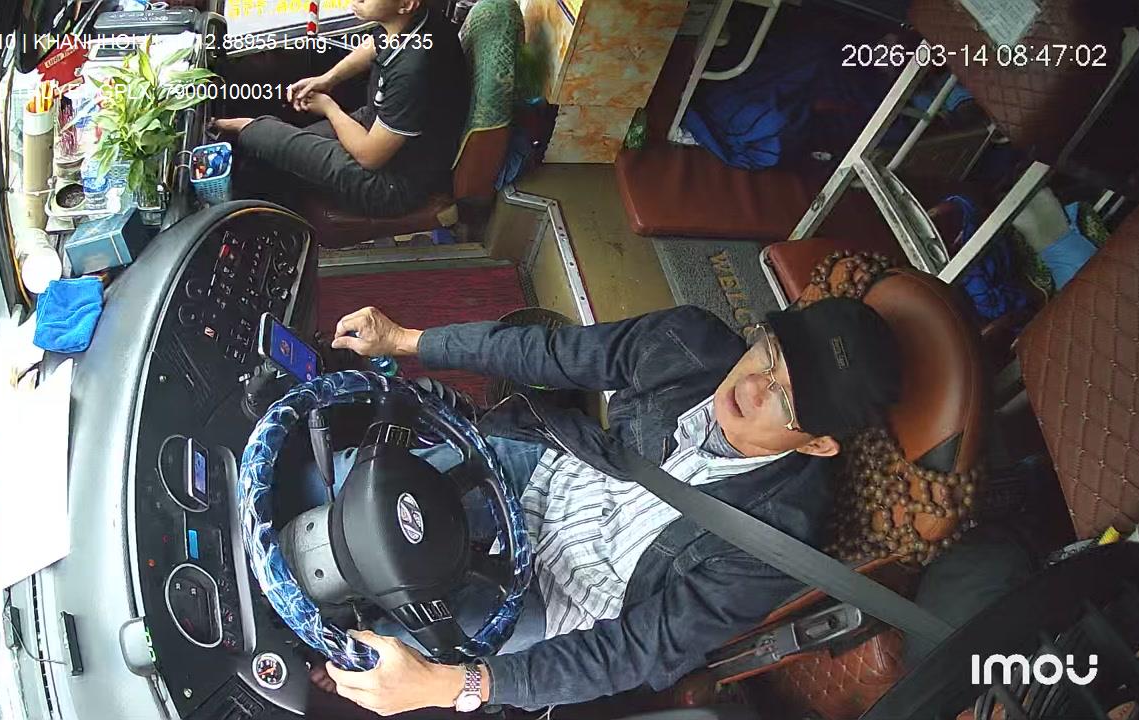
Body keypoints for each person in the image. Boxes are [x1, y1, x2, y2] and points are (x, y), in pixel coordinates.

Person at [314, 299, 902, 715]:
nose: (751, 386)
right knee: (342, 488)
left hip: (562, 597)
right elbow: (550, 352)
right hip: (541, 470)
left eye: (785, 398)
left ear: (818, 445)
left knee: (367, 659)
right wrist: (407, 340)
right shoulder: (686, 342)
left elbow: (636, 649)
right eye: (768, 356)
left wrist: (451, 685)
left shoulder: (775, 543)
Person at [210, 0, 469, 216]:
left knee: (261, 136)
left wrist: (329, 107)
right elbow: (376, 43)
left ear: (406, 4)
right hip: (376, 128)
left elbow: (370, 156)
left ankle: (235, 129)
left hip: (394, 183)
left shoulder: (413, 70)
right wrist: (328, 79)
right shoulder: (415, 21)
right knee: (275, 151)